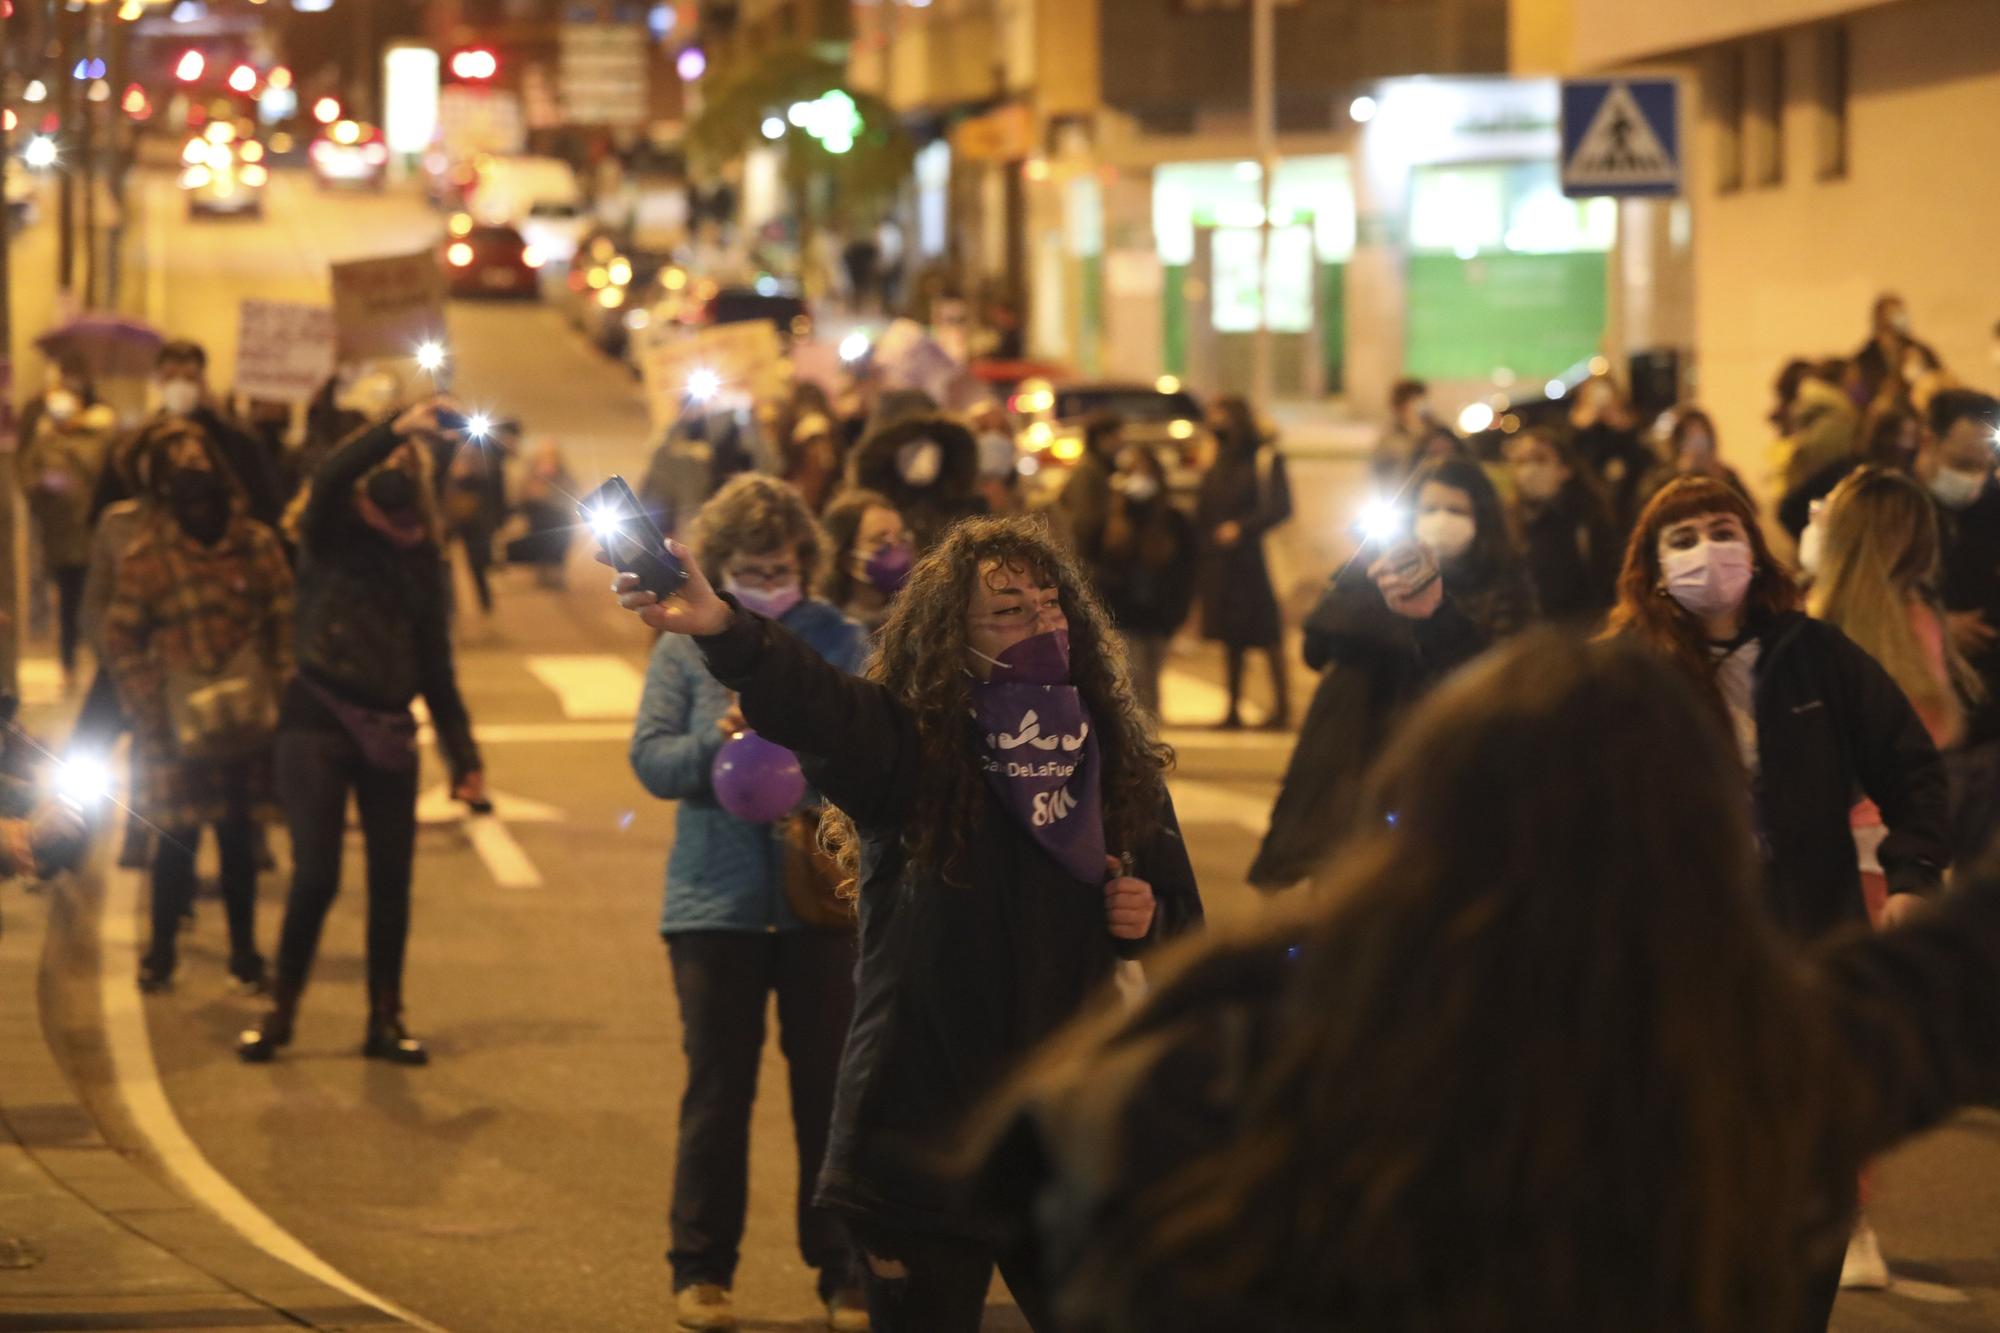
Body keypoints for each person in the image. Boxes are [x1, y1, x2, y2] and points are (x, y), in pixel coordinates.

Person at [985, 630, 2000, 1333]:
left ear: (1419, 821)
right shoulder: (1763, 1061)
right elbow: (1953, 964)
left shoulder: (1239, 1068)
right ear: (1702, 847)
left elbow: (1056, 1186)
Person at [611, 515, 1203, 1333]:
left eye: (1049, 603)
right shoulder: (912, 747)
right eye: (1008, 612)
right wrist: (723, 627)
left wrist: (1145, 915)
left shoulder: (1110, 752)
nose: (1041, 623)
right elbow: (816, 704)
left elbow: (1181, 917)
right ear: (952, 639)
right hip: (921, 1132)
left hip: (1061, 1136)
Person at [629, 474, 870, 1333]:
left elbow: (874, 743)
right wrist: (717, 741)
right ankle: (701, 1270)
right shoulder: (681, 644)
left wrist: (805, 736)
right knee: (718, 1090)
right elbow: (651, 761)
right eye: (751, 565)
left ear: (806, 559)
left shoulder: (837, 636)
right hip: (713, 900)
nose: (770, 577)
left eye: (782, 563)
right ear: (720, 564)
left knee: (832, 1092)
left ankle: (846, 1272)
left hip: (825, 904)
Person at [238, 400, 486, 1066]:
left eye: (408, 466)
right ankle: (280, 1009)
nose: (392, 477)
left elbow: (437, 667)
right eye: (387, 464)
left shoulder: (423, 561)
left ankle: (385, 1016)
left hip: (388, 731)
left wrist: (464, 758)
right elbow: (327, 477)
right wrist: (395, 428)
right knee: (315, 873)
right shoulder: (330, 531)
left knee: (391, 881)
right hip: (316, 719)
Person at [1607, 476, 1949, 947]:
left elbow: (1907, 763)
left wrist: (1915, 873)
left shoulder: (1814, 653)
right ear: (1657, 570)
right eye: (1683, 540)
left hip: (1816, 923)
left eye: (1723, 532)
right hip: (1685, 933)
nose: (1707, 550)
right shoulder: (1628, 675)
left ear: (1754, 552)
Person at [1250, 457, 1533, 890]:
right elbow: (1316, 648)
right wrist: (1366, 582)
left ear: (1483, 518)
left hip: (1439, 775)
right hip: (1351, 767)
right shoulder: (1374, 572)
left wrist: (1435, 614)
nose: (1440, 520)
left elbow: (1495, 675)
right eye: (1429, 508)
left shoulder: (1502, 584)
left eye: (1457, 511)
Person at [102, 426, 294, 994]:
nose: (201, 512)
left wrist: (279, 687)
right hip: (173, 727)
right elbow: (121, 637)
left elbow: (285, 617)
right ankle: (161, 952)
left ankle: (244, 955)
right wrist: (148, 701)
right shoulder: (149, 558)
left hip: (245, 720)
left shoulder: (256, 546)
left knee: (238, 839)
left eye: (210, 500)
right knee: (174, 842)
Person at [1922, 390, 2000, 866]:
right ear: (1929, 440)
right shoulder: (1897, 510)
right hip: (1928, 723)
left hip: (1990, 719)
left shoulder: (1993, 507)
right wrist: (1937, 630)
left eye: (1984, 464)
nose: (1973, 477)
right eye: (1962, 462)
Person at [96, 341, 285, 529]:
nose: (179, 385)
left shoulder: (236, 440)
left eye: (189, 378)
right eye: (171, 377)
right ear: (160, 381)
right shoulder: (137, 440)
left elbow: (263, 500)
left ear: (202, 381)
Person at [1194, 396, 1292, 730]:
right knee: (1231, 636)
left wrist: (1242, 528)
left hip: (1256, 557)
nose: (1215, 423)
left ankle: (1282, 708)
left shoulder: (1264, 457)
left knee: (1267, 633)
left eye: (1221, 416)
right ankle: (1233, 708)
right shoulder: (1216, 455)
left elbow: (1281, 506)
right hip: (1224, 562)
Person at [18, 357, 116, 683]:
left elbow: (106, 477)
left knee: (96, 601)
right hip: (59, 535)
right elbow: (28, 478)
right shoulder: (45, 437)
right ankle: (69, 662)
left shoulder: (101, 434)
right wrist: (44, 483)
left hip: (94, 534)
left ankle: (101, 662)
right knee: (69, 599)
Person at [1096, 446, 1197, 719]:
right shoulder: (1116, 519)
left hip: (1161, 614)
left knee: (1152, 674)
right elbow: (1104, 565)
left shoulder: (1173, 521)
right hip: (1127, 613)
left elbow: (1186, 568)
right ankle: (1141, 731)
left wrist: (1181, 608)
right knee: (1135, 674)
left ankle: (1150, 730)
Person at [1503, 428, 1618, 625]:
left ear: (1565, 470)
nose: (1530, 469)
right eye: (1521, 462)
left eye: (1540, 459)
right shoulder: (1508, 526)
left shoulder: (1589, 519)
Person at [846, 411, 986, 553]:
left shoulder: (971, 512)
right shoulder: (865, 516)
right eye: (912, 446)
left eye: (928, 445)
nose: (921, 456)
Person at [1779, 406, 1922, 540]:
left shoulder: (1900, 481)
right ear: (1887, 438)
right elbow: (1792, 508)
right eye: (1908, 436)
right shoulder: (1849, 474)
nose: (1914, 445)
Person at [1564, 373, 1655, 542]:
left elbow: (1643, 462)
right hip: (1593, 514)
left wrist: (1623, 426)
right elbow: (1576, 463)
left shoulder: (1631, 428)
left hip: (1629, 510)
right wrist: (1584, 426)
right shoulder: (1581, 433)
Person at [819, 489, 913, 638]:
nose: (896, 550)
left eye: (900, 538)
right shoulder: (822, 628)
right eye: (880, 540)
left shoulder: (917, 620)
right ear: (846, 558)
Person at [1053, 412, 1124, 568]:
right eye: (1117, 436)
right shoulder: (1088, 470)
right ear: (1102, 438)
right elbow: (1083, 520)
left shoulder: (1101, 468)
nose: (1121, 443)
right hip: (1089, 558)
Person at [1852, 293, 1941, 409]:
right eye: (1894, 315)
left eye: (1901, 314)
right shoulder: (1864, 358)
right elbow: (1860, 395)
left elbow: (1938, 382)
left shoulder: (1921, 352)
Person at [507, 440, 576, 588]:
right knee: (540, 545)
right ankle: (542, 572)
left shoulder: (565, 477)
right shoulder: (531, 477)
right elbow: (522, 499)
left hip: (559, 521)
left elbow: (570, 496)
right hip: (539, 523)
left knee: (558, 547)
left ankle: (556, 575)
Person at [1369, 378, 1454, 487]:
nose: (1418, 407)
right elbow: (1378, 471)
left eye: (1421, 401)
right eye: (1412, 402)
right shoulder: (1390, 439)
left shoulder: (1441, 433)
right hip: (1402, 496)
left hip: (1434, 495)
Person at [781, 409, 842, 514]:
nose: (823, 448)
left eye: (827, 440)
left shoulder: (840, 489)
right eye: (815, 442)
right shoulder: (788, 491)